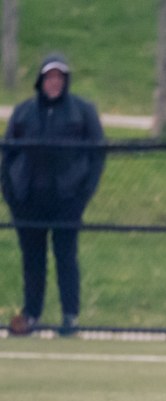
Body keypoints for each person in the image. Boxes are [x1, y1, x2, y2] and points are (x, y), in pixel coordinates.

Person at [2, 53, 106, 336]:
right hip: (28, 201)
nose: (54, 82)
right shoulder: (23, 112)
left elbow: (97, 154)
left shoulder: (82, 111)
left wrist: (82, 194)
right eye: (49, 77)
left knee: (66, 257)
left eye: (59, 77)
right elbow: (7, 155)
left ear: (66, 81)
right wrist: (12, 195)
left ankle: (70, 317)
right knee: (33, 259)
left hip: (67, 202)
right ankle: (32, 314)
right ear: (41, 81)